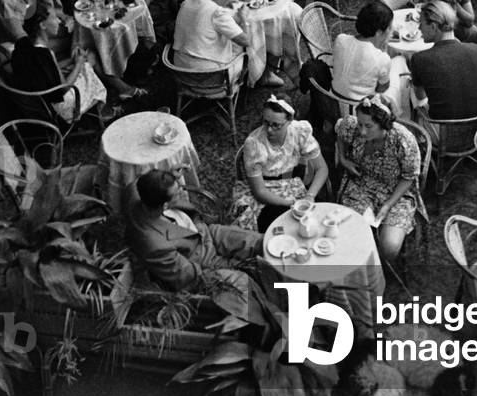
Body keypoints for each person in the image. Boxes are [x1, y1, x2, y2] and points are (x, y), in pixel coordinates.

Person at [126, 168, 261, 292]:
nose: (182, 191)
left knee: (258, 241)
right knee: (256, 270)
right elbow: (190, 278)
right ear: (166, 205)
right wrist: (235, 266)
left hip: (203, 232)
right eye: (177, 193)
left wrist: (171, 176)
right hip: (202, 262)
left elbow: (140, 181)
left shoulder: (139, 191)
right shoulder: (155, 246)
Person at [336, 96, 426, 260]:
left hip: (396, 192)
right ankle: (363, 266)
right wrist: (343, 159)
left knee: (389, 248)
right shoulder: (352, 126)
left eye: (369, 126)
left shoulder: (403, 140)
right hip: (361, 185)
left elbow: (409, 177)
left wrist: (388, 204)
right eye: (360, 124)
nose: (362, 131)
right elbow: (341, 131)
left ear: (384, 125)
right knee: (348, 234)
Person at [231, 97, 328, 233]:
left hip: (291, 184)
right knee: (280, 228)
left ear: (289, 121)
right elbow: (260, 192)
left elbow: (321, 169)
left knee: (314, 223)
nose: (269, 130)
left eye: (276, 125)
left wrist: (310, 195)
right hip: (265, 191)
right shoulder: (254, 144)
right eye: (266, 123)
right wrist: (291, 204)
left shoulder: (299, 132)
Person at [9, 3, 109, 122]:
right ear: (42, 25)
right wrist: (78, 63)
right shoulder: (44, 54)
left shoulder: (24, 44)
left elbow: (49, 69)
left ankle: (113, 91)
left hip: (40, 100)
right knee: (90, 58)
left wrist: (72, 60)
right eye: (54, 18)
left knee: (87, 59)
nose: (59, 21)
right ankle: (103, 107)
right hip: (62, 105)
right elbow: (64, 88)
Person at [410, 1, 477, 123]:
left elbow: (421, 97)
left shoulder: (419, 59)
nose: (419, 28)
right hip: (475, 125)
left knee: (410, 90)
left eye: (421, 23)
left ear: (434, 26)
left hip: (441, 130)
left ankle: (415, 131)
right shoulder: (476, 49)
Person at [171, 0, 252, 83]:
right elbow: (246, 41)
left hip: (181, 68)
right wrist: (243, 20)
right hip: (208, 75)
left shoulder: (186, 3)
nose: (228, 1)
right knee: (241, 49)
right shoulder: (217, 12)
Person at [332, 1, 410, 115]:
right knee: (401, 63)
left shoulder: (340, 39)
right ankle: (404, 115)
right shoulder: (381, 58)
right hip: (362, 110)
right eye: (389, 27)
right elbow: (381, 88)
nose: (392, 30)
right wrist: (382, 50)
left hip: (334, 101)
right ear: (378, 32)